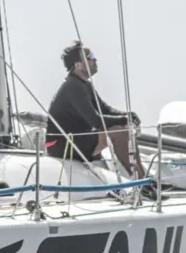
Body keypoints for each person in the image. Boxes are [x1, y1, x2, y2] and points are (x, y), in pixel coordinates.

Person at [44, 42, 145, 178]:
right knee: (118, 132)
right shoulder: (72, 87)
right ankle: (139, 183)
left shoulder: (85, 85)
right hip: (61, 145)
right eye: (90, 57)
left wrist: (128, 116)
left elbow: (105, 109)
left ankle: (146, 182)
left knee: (124, 129)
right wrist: (123, 120)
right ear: (78, 65)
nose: (94, 59)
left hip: (77, 139)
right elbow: (95, 120)